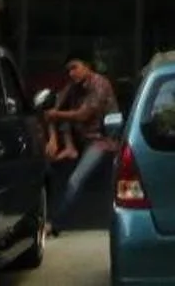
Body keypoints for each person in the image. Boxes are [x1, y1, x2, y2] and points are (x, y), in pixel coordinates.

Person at [44, 55, 120, 234]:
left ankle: (56, 223)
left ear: (87, 67)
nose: (72, 73)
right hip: (79, 139)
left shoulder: (100, 84)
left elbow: (82, 114)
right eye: (69, 70)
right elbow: (51, 111)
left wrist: (56, 115)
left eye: (75, 67)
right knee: (49, 169)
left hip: (101, 141)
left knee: (75, 181)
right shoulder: (72, 87)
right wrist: (54, 138)